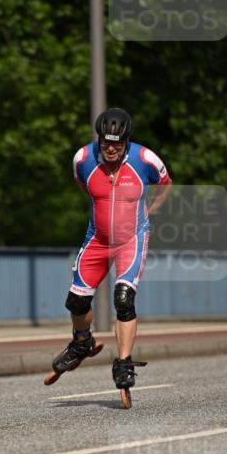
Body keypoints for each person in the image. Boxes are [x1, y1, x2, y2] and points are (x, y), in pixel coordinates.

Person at [51, 107, 172, 391]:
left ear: (126, 140)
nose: (111, 148)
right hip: (98, 239)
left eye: (117, 143)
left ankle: (124, 362)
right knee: (76, 302)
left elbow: (165, 185)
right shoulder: (83, 159)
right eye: (106, 142)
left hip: (132, 239)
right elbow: (84, 186)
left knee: (123, 299)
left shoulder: (145, 159)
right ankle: (82, 342)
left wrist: (152, 210)